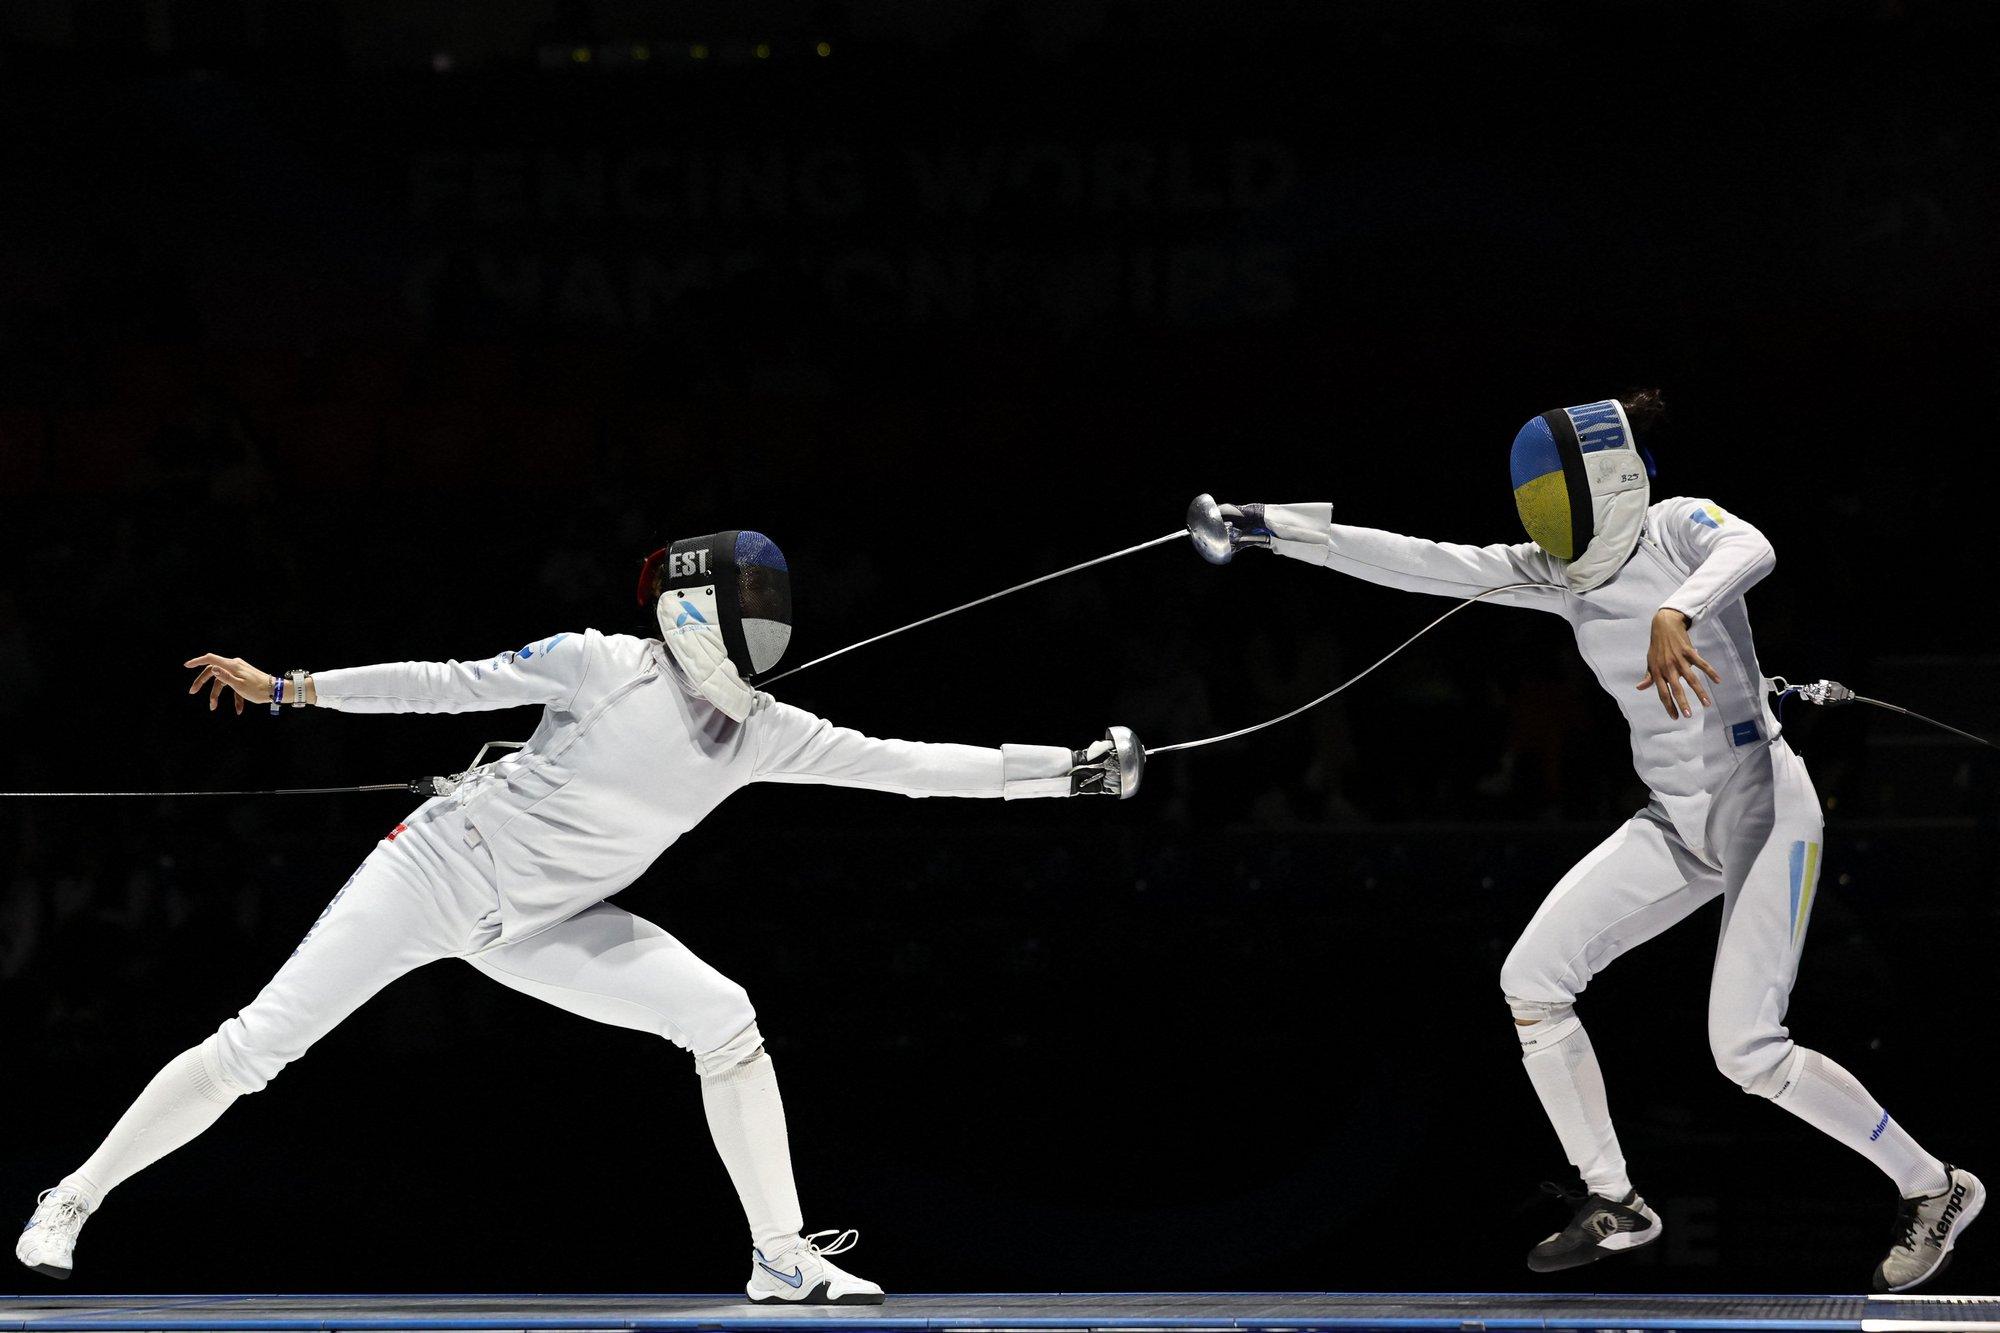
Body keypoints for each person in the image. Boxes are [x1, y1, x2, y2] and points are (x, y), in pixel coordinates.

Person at [16, 529, 1138, 1302]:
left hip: (544, 927)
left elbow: (911, 768)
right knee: (257, 1048)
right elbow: (445, 681)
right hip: (435, 871)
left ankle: (781, 1257)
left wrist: (1068, 774)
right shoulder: (599, 663)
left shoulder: (767, 733)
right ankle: (72, 1196)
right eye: (746, 607)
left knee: (722, 1017)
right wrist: (293, 688)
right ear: (697, 610)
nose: (764, 626)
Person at [1212, 394, 1980, 1292]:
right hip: (1676, 819)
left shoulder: (1676, 525)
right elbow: (1420, 562)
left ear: (1604, 481)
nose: (1541, 516)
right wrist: (1271, 529)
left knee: (1746, 1051)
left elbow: (1753, 547)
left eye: (1552, 495)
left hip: (1764, 804)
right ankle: (1614, 1197)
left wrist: (1678, 611)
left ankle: (1937, 1186)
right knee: (1531, 980)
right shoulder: (1556, 571)